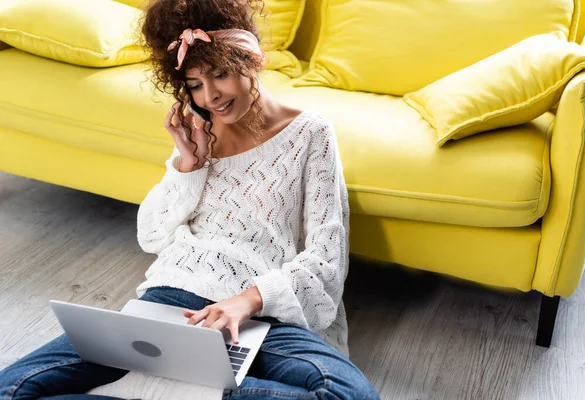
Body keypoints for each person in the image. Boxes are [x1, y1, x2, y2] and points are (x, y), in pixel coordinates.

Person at [0, 0, 381, 399]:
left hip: (263, 313)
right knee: (11, 388)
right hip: (174, 298)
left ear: (250, 59)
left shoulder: (310, 133)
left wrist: (245, 302)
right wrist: (188, 165)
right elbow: (151, 235)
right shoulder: (200, 134)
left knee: (348, 393)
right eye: (196, 85)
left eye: (219, 74)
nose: (211, 96)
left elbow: (326, 260)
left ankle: (160, 384)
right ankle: (186, 381)